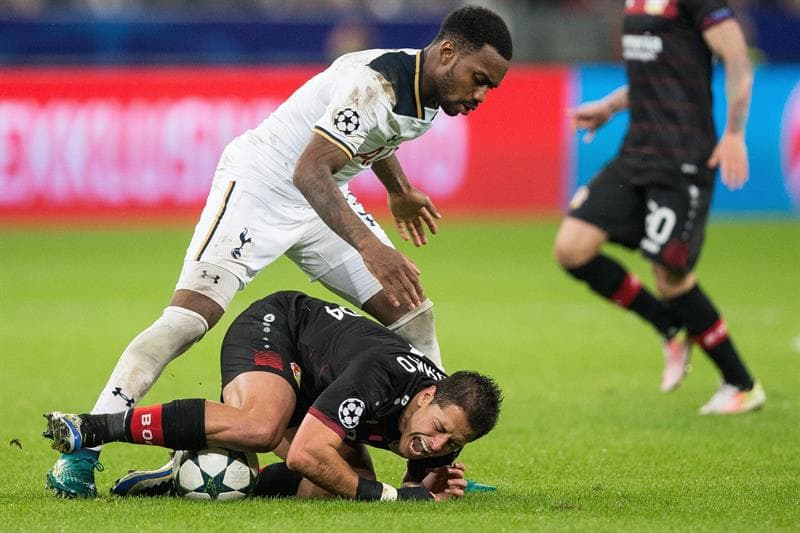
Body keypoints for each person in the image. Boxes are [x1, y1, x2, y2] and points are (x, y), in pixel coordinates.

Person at [45, 5, 512, 497]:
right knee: (187, 321)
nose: (480, 95)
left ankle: (427, 473)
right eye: (478, 79)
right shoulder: (376, 84)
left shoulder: (429, 94)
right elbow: (309, 168)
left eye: (490, 87)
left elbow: (375, 136)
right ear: (446, 52)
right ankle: (81, 450)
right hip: (262, 186)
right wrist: (371, 247)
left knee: (414, 315)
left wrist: (398, 189)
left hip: (320, 201)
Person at [44, 291, 503, 501]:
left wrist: (425, 485)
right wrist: (395, 498)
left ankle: (188, 475)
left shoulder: (441, 429)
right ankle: (91, 427)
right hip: (279, 331)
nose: (436, 446)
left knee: (330, 491)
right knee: (262, 428)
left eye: (453, 444)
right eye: (440, 431)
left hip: (320, 391)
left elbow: (412, 484)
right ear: (425, 398)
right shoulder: (378, 378)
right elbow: (305, 454)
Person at [553, 0, 766, 415]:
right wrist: (609, 107)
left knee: (670, 275)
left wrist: (735, 132)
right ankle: (667, 325)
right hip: (637, 154)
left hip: (684, 157)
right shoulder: (635, 5)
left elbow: (738, 55)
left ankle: (741, 384)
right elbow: (656, 77)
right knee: (572, 247)